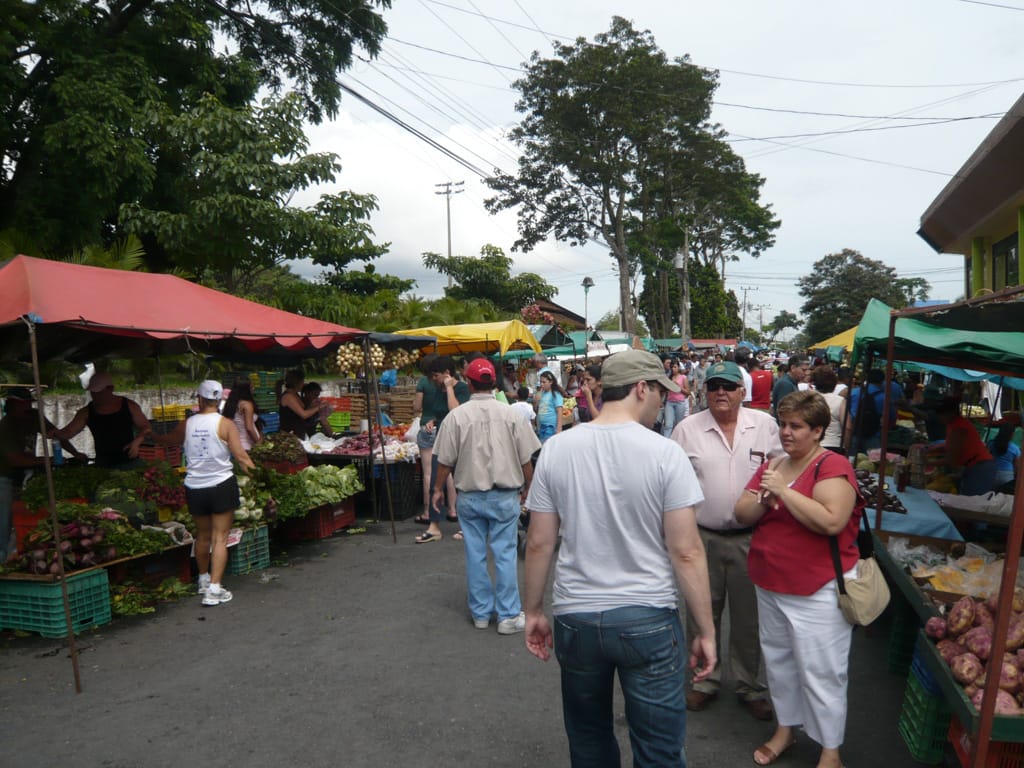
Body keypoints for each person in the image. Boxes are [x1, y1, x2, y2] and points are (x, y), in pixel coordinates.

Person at [523, 348, 717, 767]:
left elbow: (539, 543)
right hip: (647, 616)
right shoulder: (665, 453)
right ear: (640, 388)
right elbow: (685, 551)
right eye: (659, 394)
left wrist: (533, 609)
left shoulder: (557, 449)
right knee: (659, 748)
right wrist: (705, 629)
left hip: (577, 617)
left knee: (589, 740)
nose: (663, 402)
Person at [735, 390, 864, 768]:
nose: (786, 432)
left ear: (818, 430)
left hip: (817, 588)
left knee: (822, 669)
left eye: (796, 426)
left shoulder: (831, 465)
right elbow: (742, 512)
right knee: (779, 662)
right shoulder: (776, 464)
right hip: (771, 581)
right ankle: (786, 729)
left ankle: (830, 750)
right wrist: (765, 497)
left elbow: (831, 520)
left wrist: (782, 494)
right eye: (783, 423)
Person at [671, 361, 783, 722]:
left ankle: (749, 685)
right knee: (702, 612)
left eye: (729, 386)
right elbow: (673, 482)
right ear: (705, 390)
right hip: (702, 537)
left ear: (742, 392)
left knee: (749, 617)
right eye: (715, 385)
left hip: (752, 538)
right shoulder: (687, 429)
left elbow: (783, 469)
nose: (721, 392)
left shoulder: (764, 426)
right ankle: (704, 680)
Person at [431, 358, 541, 633]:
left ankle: (480, 614)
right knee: (505, 554)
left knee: (475, 553)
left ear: (468, 382)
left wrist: (436, 491)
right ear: (493, 382)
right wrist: (529, 487)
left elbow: (444, 461)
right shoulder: (511, 414)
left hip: (469, 496)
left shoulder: (456, 416)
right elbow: (526, 458)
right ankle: (507, 616)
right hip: (505, 496)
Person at [164, 381, 256, 605]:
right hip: (221, 485)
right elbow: (241, 458)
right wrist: (259, 476)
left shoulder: (187, 423)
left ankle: (203, 580)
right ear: (218, 399)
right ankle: (214, 589)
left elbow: (168, 441)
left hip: (194, 487)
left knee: (202, 536)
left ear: (200, 399)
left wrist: (146, 436)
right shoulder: (225, 424)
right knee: (220, 538)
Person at [1, 388, 84, 561]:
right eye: (22, 405)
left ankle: (15, 556)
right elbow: (15, 460)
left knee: (20, 519)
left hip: (21, 475)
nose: (27, 407)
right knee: (4, 524)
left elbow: (56, 435)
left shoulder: (33, 417)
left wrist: (75, 453)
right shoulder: (5, 427)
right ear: (11, 406)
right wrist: (47, 460)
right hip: (3, 477)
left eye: (28, 403)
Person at [415, 355, 470, 543]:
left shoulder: (462, 389)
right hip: (441, 440)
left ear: (447, 374)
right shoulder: (438, 389)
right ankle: (434, 526)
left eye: (436, 376)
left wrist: (449, 388)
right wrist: (432, 421)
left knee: (462, 483)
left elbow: (456, 412)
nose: (433, 380)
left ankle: (466, 526)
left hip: (460, 443)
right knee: (435, 484)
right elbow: (441, 413)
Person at [50, 372, 152, 467]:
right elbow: (68, 432)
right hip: (103, 464)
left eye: (99, 392)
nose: (95, 396)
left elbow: (146, 427)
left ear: (110, 389)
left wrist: (137, 441)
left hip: (130, 461)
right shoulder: (85, 412)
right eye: (93, 392)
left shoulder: (129, 406)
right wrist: (56, 434)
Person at [927, 397, 998, 495]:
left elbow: (952, 460)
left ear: (951, 413)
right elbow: (951, 445)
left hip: (980, 467)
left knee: (972, 503)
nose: (939, 417)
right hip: (974, 465)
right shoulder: (953, 424)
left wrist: (927, 462)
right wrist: (932, 449)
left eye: (941, 414)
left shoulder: (959, 428)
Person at [278, 369, 328, 438]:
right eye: (302, 381)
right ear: (297, 382)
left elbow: (303, 410)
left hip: (299, 433)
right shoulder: (288, 396)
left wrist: (313, 406)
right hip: (290, 434)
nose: (303, 384)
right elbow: (303, 414)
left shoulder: (295, 394)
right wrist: (319, 407)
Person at [811, 366, 846, 454]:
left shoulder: (809, 399)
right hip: (835, 445)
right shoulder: (840, 401)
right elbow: (846, 426)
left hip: (813, 443)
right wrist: (847, 445)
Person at [222, 378, 261, 451]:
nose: (253, 389)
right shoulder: (247, 405)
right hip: (247, 444)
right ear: (246, 389)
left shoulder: (231, 404)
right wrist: (259, 442)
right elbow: (249, 428)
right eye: (251, 387)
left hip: (234, 443)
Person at [770, 354, 808, 419]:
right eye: (803, 370)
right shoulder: (785, 384)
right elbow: (784, 413)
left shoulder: (791, 382)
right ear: (793, 368)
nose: (806, 373)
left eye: (807, 370)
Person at [660, 358, 690, 438]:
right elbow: (664, 390)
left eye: (675, 367)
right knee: (668, 424)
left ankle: (678, 440)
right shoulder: (668, 378)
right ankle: (667, 441)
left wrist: (679, 387)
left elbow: (688, 392)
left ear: (679, 367)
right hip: (670, 402)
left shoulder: (683, 377)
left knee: (678, 424)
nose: (673, 369)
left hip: (680, 403)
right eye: (672, 367)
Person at [535, 370, 567, 443]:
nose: (541, 384)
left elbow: (559, 411)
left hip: (551, 426)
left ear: (551, 382)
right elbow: (537, 409)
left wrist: (559, 429)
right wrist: (536, 401)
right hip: (542, 426)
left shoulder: (555, 394)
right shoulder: (542, 394)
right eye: (541, 382)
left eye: (544, 382)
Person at [988, 424, 1021, 489]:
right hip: (1007, 476)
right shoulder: (1015, 448)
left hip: (992, 473)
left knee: (989, 496)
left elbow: (986, 459)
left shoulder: (991, 444)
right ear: (1012, 434)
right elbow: (1017, 466)